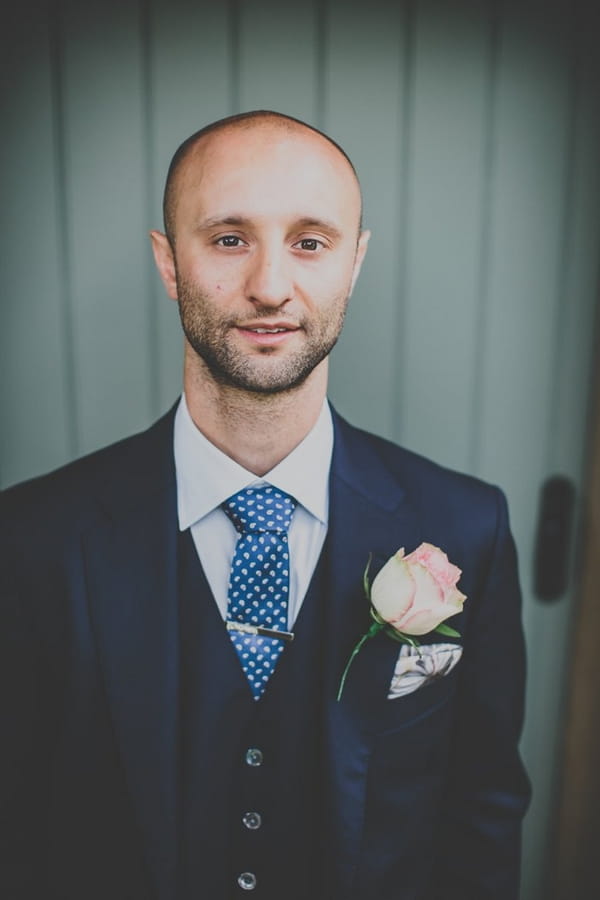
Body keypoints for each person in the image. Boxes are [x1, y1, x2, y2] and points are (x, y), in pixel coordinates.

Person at [0, 110, 530, 899]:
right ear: (168, 261)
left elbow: (483, 811)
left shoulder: (465, 525)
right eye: (227, 238)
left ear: (354, 263)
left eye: (310, 242)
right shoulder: (31, 537)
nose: (271, 286)